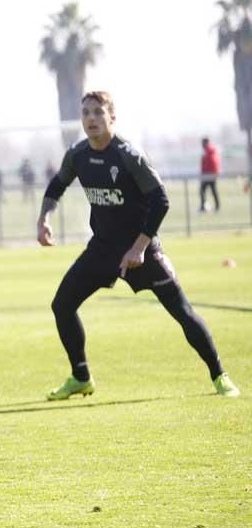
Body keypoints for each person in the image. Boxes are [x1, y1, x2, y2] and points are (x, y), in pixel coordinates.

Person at [37, 91, 240, 400]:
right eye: (86, 113)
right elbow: (57, 185)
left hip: (142, 250)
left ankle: (219, 375)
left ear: (111, 118)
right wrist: (44, 219)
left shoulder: (128, 155)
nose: (90, 118)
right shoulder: (77, 155)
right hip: (103, 249)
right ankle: (81, 377)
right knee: (62, 304)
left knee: (182, 312)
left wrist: (140, 247)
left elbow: (161, 200)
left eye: (97, 112)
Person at [199, 137, 221, 213]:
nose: (201, 145)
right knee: (212, 190)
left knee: (202, 190)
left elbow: (207, 163)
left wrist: (203, 173)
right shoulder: (211, 150)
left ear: (205, 142)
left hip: (208, 174)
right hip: (212, 174)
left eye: (202, 143)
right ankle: (217, 206)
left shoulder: (208, 150)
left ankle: (203, 206)